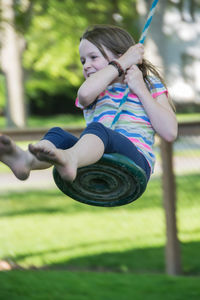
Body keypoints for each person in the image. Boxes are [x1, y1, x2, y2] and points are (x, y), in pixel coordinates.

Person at [0, 25, 177, 186]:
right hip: (98, 161)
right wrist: (122, 63)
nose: (87, 65)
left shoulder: (148, 85)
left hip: (135, 163)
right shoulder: (96, 89)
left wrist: (140, 90)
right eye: (83, 61)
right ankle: (26, 161)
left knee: (99, 130)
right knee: (58, 134)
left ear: (121, 55)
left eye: (93, 57)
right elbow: (84, 95)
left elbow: (169, 132)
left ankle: (70, 160)